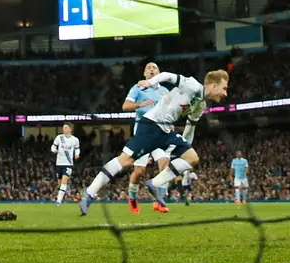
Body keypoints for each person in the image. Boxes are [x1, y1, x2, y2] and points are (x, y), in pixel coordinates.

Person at [80, 69, 228, 216]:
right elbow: (168, 76)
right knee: (125, 160)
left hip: (166, 132)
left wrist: (184, 149)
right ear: (214, 86)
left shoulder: (200, 106)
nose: (226, 93)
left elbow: (190, 129)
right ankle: (90, 193)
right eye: (224, 88)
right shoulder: (192, 85)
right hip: (151, 125)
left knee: (192, 158)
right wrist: (150, 82)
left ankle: (154, 184)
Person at [122, 62, 168, 213]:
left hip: (160, 131)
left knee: (164, 163)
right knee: (139, 172)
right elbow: (125, 106)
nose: (152, 69)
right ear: (144, 74)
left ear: (159, 73)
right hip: (143, 132)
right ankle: (133, 198)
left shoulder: (165, 91)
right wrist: (140, 104)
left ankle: (159, 202)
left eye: (155, 67)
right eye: (149, 67)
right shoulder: (137, 88)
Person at [50, 123, 80, 206]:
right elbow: (53, 147)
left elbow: (77, 149)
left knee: (64, 180)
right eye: (63, 128)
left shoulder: (75, 140)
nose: (64, 129)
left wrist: (77, 154)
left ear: (70, 129)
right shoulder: (59, 137)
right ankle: (64, 194)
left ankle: (58, 201)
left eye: (66, 128)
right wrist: (54, 150)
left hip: (68, 164)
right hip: (59, 163)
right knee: (60, 184)